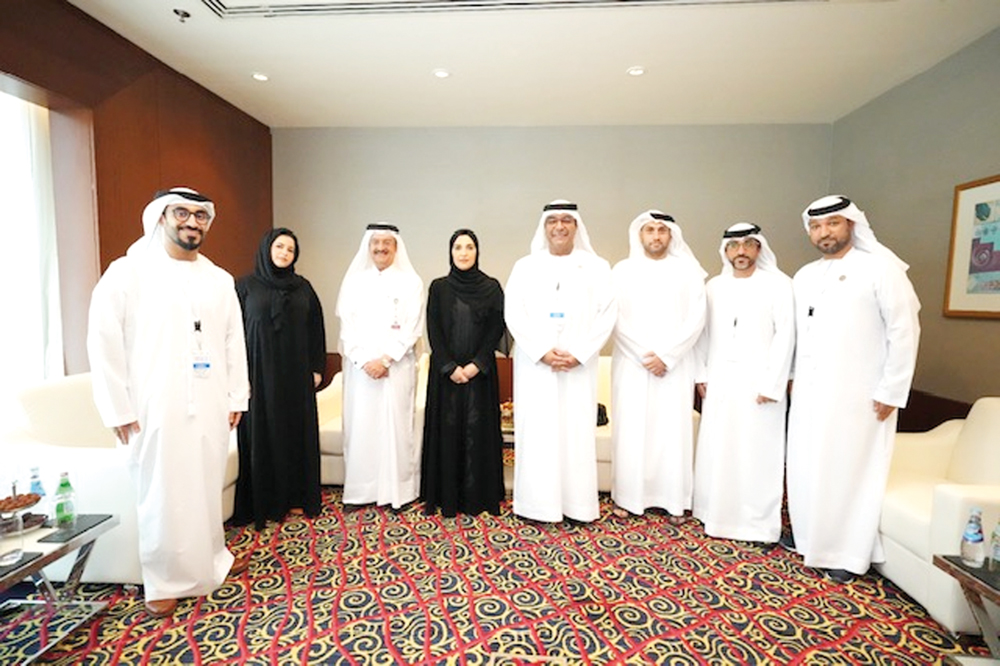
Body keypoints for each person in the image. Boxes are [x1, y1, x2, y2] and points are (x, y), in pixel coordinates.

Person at [87, 187, 251, 618]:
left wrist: (237, 395)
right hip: (153, 402)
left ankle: (208, 563)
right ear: (161, 216)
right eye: (182, 213)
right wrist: (117, 407)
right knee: (161, 491)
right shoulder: (127, 273)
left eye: (201, 216)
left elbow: (235, 341)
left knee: (204, 483)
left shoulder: (219, 279)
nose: (192, 222)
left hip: (212, 399)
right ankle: (162, 580)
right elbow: (103, 343)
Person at [785, 195, 920, 584]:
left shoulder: (882, 269)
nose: (824, 232)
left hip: (861, 395)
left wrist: (892, 390)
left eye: (832, 224)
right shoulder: (806, 275)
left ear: (851, 225)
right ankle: (812, 537)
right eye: (816, 226)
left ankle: (847, 552)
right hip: (809, 392)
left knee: (850, 469)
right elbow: (801, 334)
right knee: (808, 463)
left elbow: (904, 331)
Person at [504, 200, 617, 523]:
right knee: (537, 432)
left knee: (575, 434)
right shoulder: (525, 266)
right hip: (535, 366)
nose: (559, 226)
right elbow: (514, 313)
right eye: (553, 220)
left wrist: (580, 353)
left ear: (576, 226)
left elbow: (607, 316)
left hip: (578, 368)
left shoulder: (597, 267)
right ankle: (536, 505)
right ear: (544, 226)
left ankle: (577, 506)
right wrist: (541, 351)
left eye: (567, 220)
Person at [692, 223, 794, 544]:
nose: (741, 252)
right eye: (734, 246)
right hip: (720, 380)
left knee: (757, 452)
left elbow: (786, 337)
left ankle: (756, 524)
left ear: (759, 248)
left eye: (748, 245)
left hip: (760, 384)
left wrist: (772, 383)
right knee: (719, 448)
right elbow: (701, 336)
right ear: (725, 251)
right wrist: (701, 375)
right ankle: (715, 514)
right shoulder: (713, 287)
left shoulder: (779, 285)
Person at [610, 210, 706, 520]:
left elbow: (697, 319)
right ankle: (627, 498)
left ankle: (674, 499)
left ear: (671, 235)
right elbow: (614, 318)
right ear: (640, 235)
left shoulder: (689, 272)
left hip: (675, 366)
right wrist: (643, 354)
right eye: (649, 230)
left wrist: (667, 356)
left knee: (671, 431)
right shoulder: (621, 271)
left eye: (661, 230)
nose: (655, 236)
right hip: (632, 364)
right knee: (631, 430)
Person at [233, 228, 327, 529]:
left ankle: (297, 497)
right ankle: (265, 502)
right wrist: (236, 376)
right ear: (266, 248)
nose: (285, 253)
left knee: (295, 434)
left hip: (296, 375)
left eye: (290, 249)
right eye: (280, 246)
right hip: (258, 376)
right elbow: (231, 335)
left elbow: (316, 329)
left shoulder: (303, 288)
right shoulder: (245, 287)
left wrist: (316, 368)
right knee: (264, 434)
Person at [336, 223, 424, 509]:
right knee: (362, 428)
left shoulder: (412, 283)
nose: (381, 248)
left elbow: (413, 328)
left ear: (396, 247)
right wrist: (365, 362)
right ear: (368, 246)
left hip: (396, 368)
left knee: (397, 428)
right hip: (361, 371)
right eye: (376, 243)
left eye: (387, 243)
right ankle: (362, 491)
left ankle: (398, 492)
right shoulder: (354, 282)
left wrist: (386, 359)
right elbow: (346, 329)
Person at [421, 229, 506, 517]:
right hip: (445, 376)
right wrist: (449, 367)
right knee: (448, 430)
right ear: (451, 252)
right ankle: (448, 496)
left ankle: (477, 496)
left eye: (469, 247)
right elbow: (434, 330)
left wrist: (475, 365)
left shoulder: (492, 287)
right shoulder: (438, 287)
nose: (464, 252)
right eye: (458, 247)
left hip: (479, 375)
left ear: (477, 251)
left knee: (476, 430)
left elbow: (496, 328)